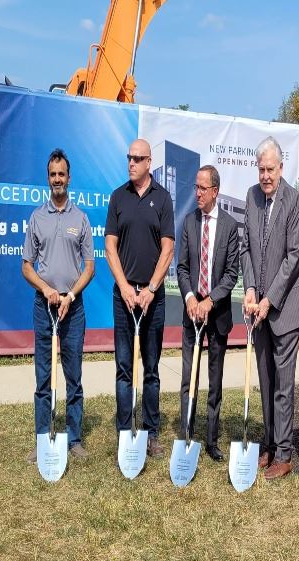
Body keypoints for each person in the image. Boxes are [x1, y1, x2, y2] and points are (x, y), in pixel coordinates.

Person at [22, 148, 95, 463]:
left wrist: (70, 296)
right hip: (44, 307)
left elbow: (89, 267)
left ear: (69, 177)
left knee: (73, 377)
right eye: (52, 175)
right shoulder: (37, 217)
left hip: (72, 309)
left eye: (61, 174)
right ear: (47, 178)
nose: (57, 179)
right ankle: (43, 439)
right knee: (43, 378)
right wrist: (47, 289)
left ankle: (74, 439)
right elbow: (27, 266)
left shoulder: (81, 218)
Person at [241, 136, 299, 480]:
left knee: (283, 383)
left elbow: (294, 257)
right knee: (266, 380)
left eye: (270, 169)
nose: (265, 176)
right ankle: (268, 444)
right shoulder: (251, 197)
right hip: (260, 308)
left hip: (285, 307)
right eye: (261, 169)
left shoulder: (293, 201)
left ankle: (284, 453)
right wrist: (252, 290)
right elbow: (246, 249)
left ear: (281, 168)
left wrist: (269, 300)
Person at [105, 139, 175, 457]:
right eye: (129, 158)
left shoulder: (163, 198)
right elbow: (110, 247)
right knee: (124, 367)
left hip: (152, 299)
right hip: (124, 298)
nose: (131, 163)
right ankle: (125, 431)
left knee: (151, 368)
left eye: (137, 158)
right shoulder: (118, 197)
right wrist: (124, 287)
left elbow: (168, 248)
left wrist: (151, 289)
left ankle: (150, 433)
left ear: (149, 162)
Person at [176, 165, 240, 462]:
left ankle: (212, 440)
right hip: (191, 313)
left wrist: (209, 301)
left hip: (217, 314)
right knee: (189, 376)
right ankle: (186, 435)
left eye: (203, 188)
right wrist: (191, 298)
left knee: (215, 380)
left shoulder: (229, 226)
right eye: (196, 187)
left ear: (215, 191)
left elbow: (231, 274)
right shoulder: (189, 222)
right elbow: (182, 267)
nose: (197, 193)